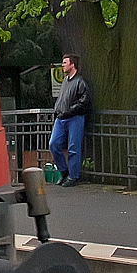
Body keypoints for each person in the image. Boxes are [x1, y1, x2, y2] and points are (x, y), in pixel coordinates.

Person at [49, 54, 92, 187]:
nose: (62, 65)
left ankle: (73, 176)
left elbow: (84, 101)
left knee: (74, 147)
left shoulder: (80, 82)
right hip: (62, 117)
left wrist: (70, 111)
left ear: (72, 65)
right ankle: (63, 170)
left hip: (75, 117)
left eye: (65, 62)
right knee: (53, 143)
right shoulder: (65, 81)